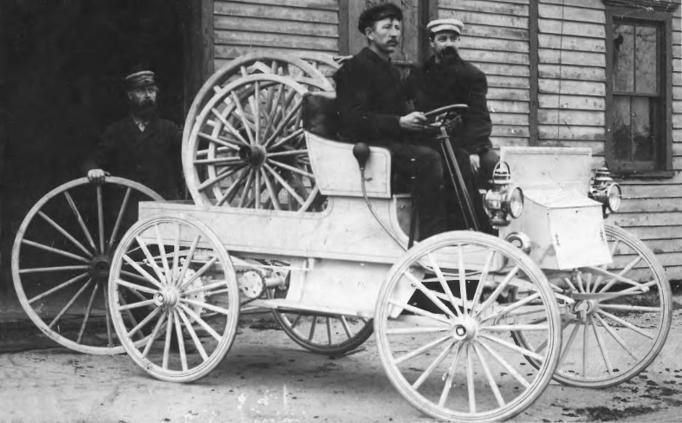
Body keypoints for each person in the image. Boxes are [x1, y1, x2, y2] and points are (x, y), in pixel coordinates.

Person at [334, 4, 484, 238]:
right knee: (428, 159)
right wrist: (399, 123)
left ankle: (462, 234)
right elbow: (349, 120)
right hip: (369, 147)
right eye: (387, 27)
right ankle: (431, 241)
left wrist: (421, 123)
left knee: (457, 154)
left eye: (397, 27)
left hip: (394, 143)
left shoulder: (392, 71)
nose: (394, 33)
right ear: (370, 34)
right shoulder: (354, 68)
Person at [405, 18, 499, 189]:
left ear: (459, 42)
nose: (449, 44)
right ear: (431, 42)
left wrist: (475, 151)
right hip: (430, 139)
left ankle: (482, 211)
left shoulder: (472, 76)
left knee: (491, 162)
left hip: (465, 140)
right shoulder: (419, 74)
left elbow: (479, 117)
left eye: (453, 39)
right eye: (442, 39)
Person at [84, 66, 183, 199]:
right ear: (130, 95)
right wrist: (93, 170)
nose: (148, 95)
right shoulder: (116, 131)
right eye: (141, 91)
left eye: (151, 90)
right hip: (129, 207)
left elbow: (192, 145)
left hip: (162, 204)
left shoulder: (169, 129)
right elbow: (94, 160)